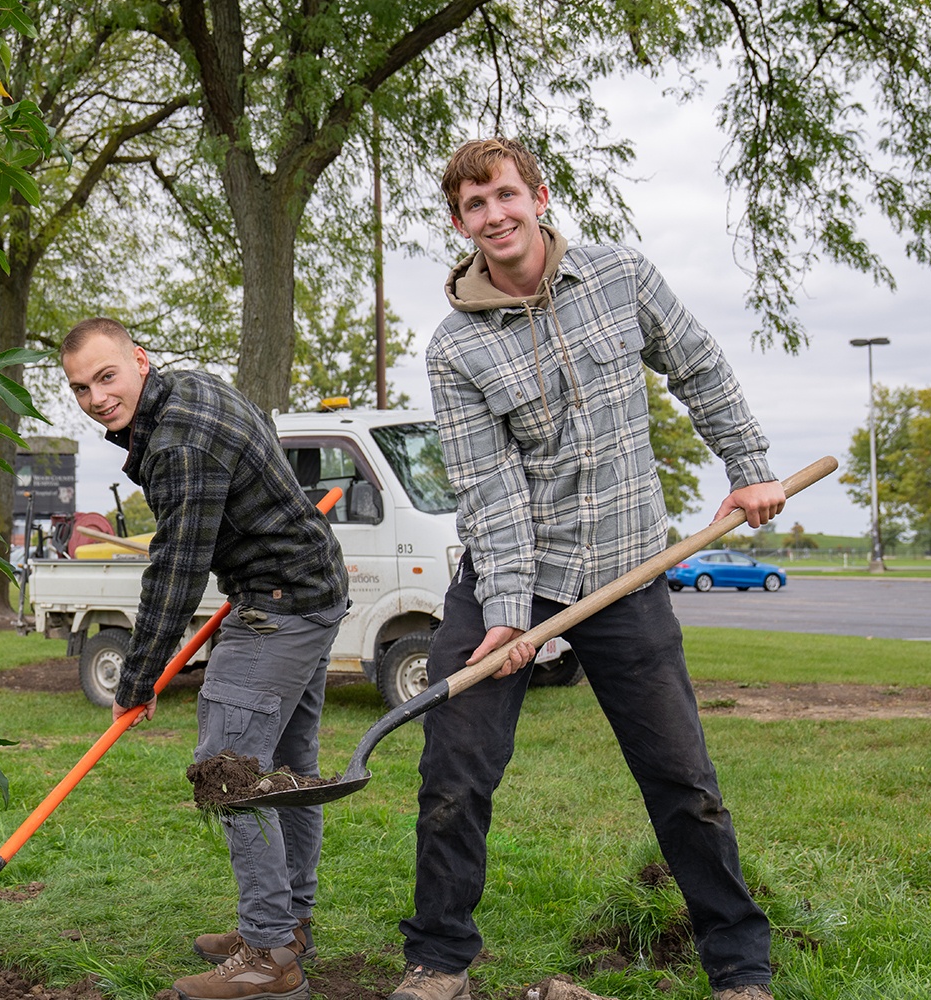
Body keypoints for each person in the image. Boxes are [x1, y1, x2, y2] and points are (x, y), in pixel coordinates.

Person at [395, 138, 783, 1000]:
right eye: (472, 207)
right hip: (509, 575)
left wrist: (748, 465)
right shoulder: (455, 348)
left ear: (539, 195)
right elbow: (489, 492)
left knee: (683, 779)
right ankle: (438, 960)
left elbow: (702, 367)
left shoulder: (621, 278)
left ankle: (740, 968)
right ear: (459, 224)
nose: (493, 216)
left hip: (628, 570)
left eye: (503, 196)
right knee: (453, 772)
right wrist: (505, 611)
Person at [61, 317, 349, 1000]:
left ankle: (270, 958)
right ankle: (288, 920)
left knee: (231, 774)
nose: (97, 397)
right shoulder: (189, 391)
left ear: (139, 360)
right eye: (80, 388)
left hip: (276, 607)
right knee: (287, 773)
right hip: (310, 590)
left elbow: (175, 572)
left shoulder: (179, 443)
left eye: (107, 377)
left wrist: (138, 681)